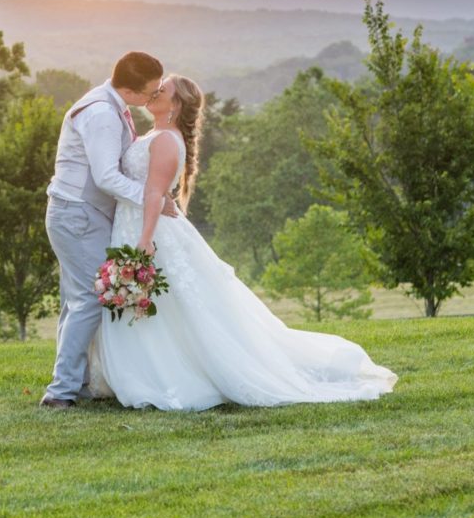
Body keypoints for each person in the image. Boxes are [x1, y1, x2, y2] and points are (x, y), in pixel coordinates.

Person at [87, 74, 398, 411]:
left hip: (149, 231)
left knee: (165, 305)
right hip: (132, 225)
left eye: (162, 90)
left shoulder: (164, 140)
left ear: (176, 105)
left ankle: (164, 374)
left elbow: (154, 193)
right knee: (160, 308)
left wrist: (145, 241)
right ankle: (141, 371)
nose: (154, 91)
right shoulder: (154, 135)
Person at [40, 51, 167, 409]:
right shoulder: (101, 114)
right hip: (78, 215)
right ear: (128, 90)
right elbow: (106, 177)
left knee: (75, 300)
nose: (153, 99)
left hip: (80, 213)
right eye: (150, 93)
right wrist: (151, 199)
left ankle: (75, 384)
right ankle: (60, 392)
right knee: (90, 301)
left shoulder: (113, 106)